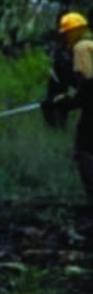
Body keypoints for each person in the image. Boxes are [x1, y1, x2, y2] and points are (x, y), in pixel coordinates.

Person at [41, 11, 93, 204]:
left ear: (72, 33)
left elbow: (88, 85)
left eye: (65, 35)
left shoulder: (81, 49)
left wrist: (65, 101)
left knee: (83, 150)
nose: (64, 39)